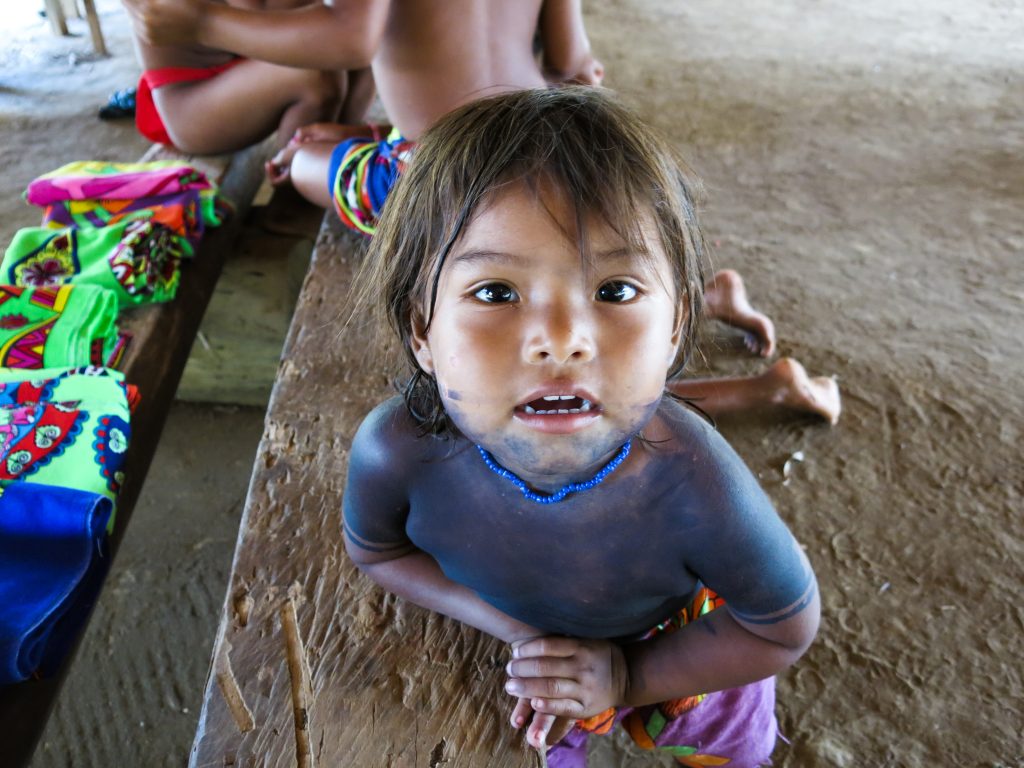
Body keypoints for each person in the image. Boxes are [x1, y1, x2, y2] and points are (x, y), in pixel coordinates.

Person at [342, 87, 821, 766]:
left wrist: (630, 676)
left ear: (677, 323)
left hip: (687, 651)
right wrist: (521, 635)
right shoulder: (396, 452)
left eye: (616, 291)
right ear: (422, 329)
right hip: (547, 680)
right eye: (496, 293)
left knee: (728, 748)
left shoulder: (692, 476)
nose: (562, 342)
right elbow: (379, 553)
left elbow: (779, 627)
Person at [123, 0, 374, 154]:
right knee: (316, 74)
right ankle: (291, 201)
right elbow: (271, 14)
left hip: (244, 66)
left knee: (376, 36)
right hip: (190, 102)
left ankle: (334, 151)